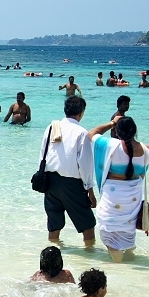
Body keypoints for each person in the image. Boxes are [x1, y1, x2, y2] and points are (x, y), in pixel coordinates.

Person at [38, 96, 104, 248]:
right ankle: (89, 255)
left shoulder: (51, 127)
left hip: (49, 181)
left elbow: (43, 154)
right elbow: (85, 165)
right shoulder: (81, 133)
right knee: (87, 224)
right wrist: (90, 191)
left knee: (54, 223)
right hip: (71, 184)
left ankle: (53, 252)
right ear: (81, 113)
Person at [89, 116, 149, 263]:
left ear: (117, 132)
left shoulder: (111, 145)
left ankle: (119, 264)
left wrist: (112, 122)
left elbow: (91, 133)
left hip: (113, 196)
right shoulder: (145, 151)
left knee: (108, 233)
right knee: (128, 228)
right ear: (135, 130)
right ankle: (130, 256)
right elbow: (142, 174)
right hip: (133, 197)